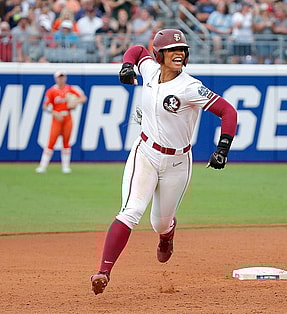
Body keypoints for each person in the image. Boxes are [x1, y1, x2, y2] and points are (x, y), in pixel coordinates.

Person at [90, 28, 238, 295]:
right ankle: (103, 272)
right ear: (160, 54)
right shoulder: (148, 71)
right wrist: (126, 65)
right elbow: (136, 50)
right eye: (172, 50)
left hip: (178, 162)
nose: (178, 53)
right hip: (145, 152)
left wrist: (223, 148)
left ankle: (167, 235)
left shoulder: (190, 87)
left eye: (182, 50)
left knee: (159, 222)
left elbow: (228, 111)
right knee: (131, 210)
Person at [36, 71, 87, 174]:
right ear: (56, 79)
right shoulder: (51, 91)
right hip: (57, 118)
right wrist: (54, 113)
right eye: (59, 77)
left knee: (66, 142)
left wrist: (74, 102)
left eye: (63, 77)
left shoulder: (69, 89)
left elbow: (83, 98)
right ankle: (43, 166)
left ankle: (65, 167)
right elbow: (45, 106)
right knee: (51, 142)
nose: (61, 79)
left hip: (67, 117)